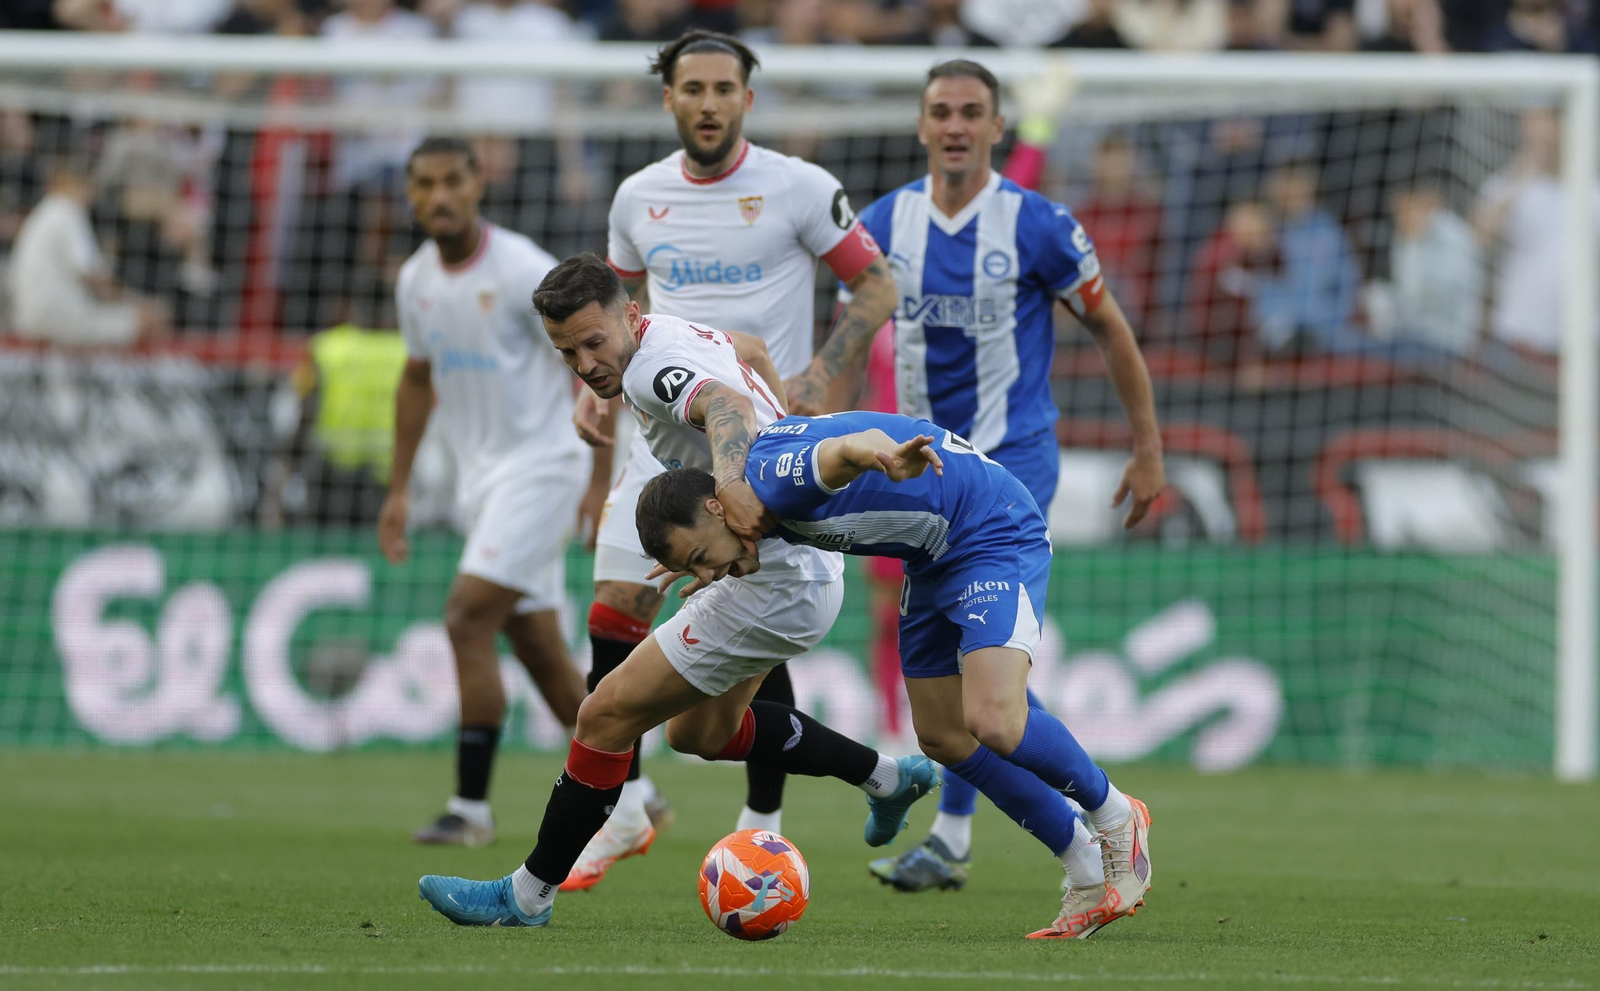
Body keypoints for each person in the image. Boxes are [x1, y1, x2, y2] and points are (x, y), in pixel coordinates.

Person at [414, 254, 937, 929]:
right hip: (792, 571)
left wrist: (733, 488)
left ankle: (525, 895)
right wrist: (747, 493)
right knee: (702, 732)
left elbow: (726, 403)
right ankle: (889, 777)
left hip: (777, 581)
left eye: (593, 342)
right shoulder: (666, 335)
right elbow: (747, 353)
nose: (584, 363)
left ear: (628, 317)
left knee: (603, 715)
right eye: (566, 351)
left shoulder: (652, 369)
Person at [563, 29, 899, 889]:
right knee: (612, 608)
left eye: (723, 88)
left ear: (748, 98)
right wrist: (594, 389)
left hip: (753, 438)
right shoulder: (638, 197)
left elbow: (877, 286)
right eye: (692, 88)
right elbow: (610, 313)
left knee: (749, 610)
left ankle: (762, 819)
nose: (708, 102)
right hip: (660, 432)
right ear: (668, 97)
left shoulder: (799, 187)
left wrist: (819, 377)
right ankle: (628, 802)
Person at [635, 409, 1155, 939]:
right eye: (692, 567)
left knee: (995, 720)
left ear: (716, 506)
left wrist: (880, 453)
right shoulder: (745, 495)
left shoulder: (773, 480)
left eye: (702, 557)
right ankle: (1086, 867)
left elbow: (843, 450)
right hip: (929, 558)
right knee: (943, 736)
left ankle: (1116, 816)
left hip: (989, 529)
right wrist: (706, 554)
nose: (706, 576)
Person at [852, 59, 1165, 894]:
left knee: (984, 684)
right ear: (921, 127)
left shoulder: (1040, 225)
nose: (955, 125)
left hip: (1014, 469)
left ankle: (1009, 829)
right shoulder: (883, 226)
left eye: (973, 112)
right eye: (941, 111)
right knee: (951, 707)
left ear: (999, 128)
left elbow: (1111, 329)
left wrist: (1147, 445)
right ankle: (967, 836)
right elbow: (856, 341)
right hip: (923, 475)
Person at [380, 137, 605, 847]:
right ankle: (634, 793)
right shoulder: (414, 279)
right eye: (424, 184)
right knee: (536, 643)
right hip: (482, 480)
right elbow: (416, 379)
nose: (438, 197)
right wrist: (397, 489)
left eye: (452, 181)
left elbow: (597, 357)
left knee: (466, 617)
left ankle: (471, 808)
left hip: (545, 466)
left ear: (478, 185)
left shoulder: (520, 269)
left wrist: (601, 477)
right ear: (410, 193)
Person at [7, 153, 170, 348]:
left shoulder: (44, 212)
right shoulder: (67, 211)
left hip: (29, 317)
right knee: (149, 320)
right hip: (58, 320)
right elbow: (92, 276)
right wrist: (137, 303)